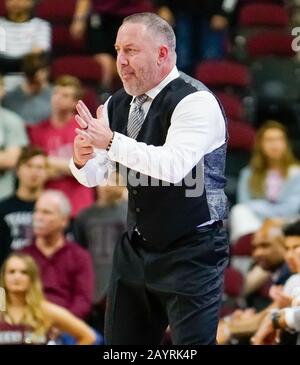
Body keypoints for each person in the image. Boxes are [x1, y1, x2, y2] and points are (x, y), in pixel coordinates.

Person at [70, 12, 229, 345]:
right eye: (117, 50)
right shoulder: (116, 103)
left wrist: (110, 142)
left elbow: (172, 167)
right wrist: (82, 159)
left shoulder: (195, 101)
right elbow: (104, 174)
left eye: (131, 50)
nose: (121, 61)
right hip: (137, 247)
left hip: (192, 249)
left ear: (162, 53)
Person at [28, 75, 95, 218]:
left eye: (64, 95)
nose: (58, 98)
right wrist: (69, 166)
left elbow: (87, 168)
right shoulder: (38, 130)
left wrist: (48, 161)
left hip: (79, 206)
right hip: (48, 206)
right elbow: (34, 168)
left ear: (75, 102)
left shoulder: (85, 129)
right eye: (56, 93)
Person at [22, 190, 94, 320]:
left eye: (46, 212)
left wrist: (62, 324)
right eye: (37, 211)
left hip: (67, 327)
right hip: (28, 324)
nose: (38, 217)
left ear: (64, 221)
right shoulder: (22, 256)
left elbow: (83, 301)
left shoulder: (79, 256)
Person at [0, 252, 96, 344]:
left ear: (32, 278)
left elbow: (88, 336)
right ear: (3, 277)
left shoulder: (45, 310)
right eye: (11, 272)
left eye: (24, 272)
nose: (17, 277)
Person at [230, 120, 300, 243]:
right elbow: (244, 204)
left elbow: (291, 208)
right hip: (256, 222)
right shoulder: (248, 173)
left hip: (287, 222)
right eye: (269, 140)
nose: (275, 144)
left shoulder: (296, 172)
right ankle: (244, 258)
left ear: (286, 143)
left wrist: (261, 209)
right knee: (239, 212)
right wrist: (267, 217)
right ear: (260, 144)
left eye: (279, 139)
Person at [0, 146, 48, 266]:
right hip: (10, 274)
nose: (34, 172)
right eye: (29, 166)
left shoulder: (53, 210)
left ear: (47, 172)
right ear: (17, 170)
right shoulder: (2, 209)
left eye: (39, 167)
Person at [0, 74, 28, 201]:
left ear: (2, 90)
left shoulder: (12, 120)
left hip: (3, 197)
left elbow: (11, 160)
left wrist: (5, 159)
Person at [3, 52, 52, 124]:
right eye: (33, 81)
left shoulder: (55, 95)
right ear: (27, 75)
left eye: (44, 71)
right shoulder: (9, 99)